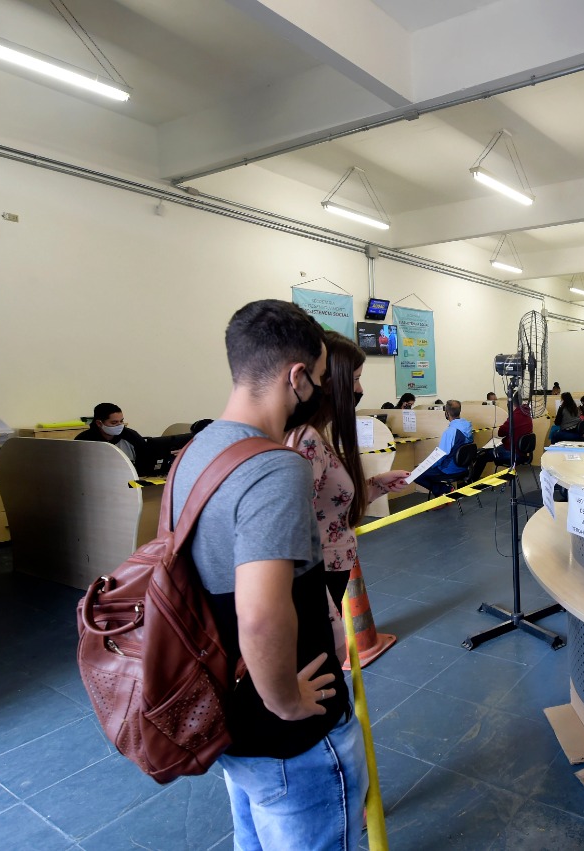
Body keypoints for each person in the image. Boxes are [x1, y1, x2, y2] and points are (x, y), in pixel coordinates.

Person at [171, 299, 365, 848]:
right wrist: (285, 701)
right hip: (290, 733)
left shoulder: (196, 452)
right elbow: (259, 612)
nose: (324, 391)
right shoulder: (275, 467)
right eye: (321, 379)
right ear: (297, 377)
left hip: (228, 710)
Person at [285, 330, 409, 604]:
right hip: (319, 576)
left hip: (332, 568)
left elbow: (329, 505)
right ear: (328, 382)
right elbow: (296, 530)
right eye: (354, 379)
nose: (360, 390)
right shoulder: (306, 441)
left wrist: (377, 484)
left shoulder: (318, 436)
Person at [414, 400, 473, 496]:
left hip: (450, 470)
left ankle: (446, 489)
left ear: (447, 413)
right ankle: (442, 493)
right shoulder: (467, 427)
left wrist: (427, 465)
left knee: (416, 475)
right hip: (464, 468)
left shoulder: (450, 432)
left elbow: (441, 455)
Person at [468, 395, 533, 480]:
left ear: (512, 405)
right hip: (522, 452)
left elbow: (500, 433)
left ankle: (472, 481)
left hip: (513, 452)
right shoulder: (527, 415)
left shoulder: (514, 417)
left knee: (482, 455)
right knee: (486, 451)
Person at [74, 402, 146, 464]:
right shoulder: (83, 441)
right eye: (114, 422)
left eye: (121, 421)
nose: (119, 425)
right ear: (99, 423)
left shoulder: (132, 436)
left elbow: (145, 463)